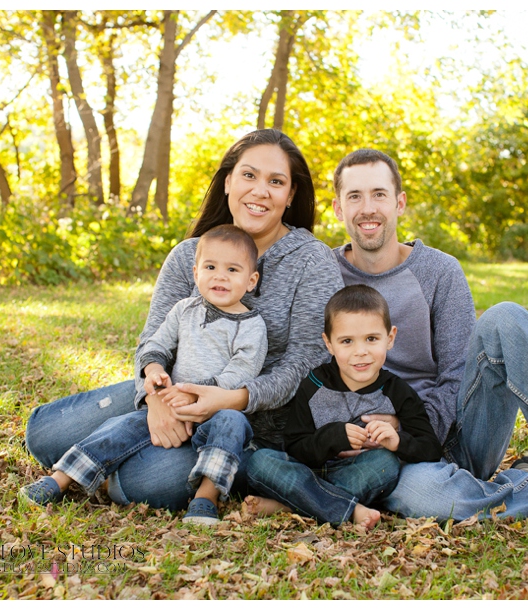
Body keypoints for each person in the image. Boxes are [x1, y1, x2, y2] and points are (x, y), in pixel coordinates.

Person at [327, 148, 528, 544]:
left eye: (379, 194)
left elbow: (455, 379)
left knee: (506, 317)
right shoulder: (324, 275)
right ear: (336, 208)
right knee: (426, 497)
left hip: (451, 436)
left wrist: (406, 427)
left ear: (399, 203)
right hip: (379, 458)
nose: (368, 208)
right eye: (355, 196)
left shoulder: (439, 271)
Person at [24, 129, 344, 512]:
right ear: (228, 181)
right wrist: (156, 399)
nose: (260, 191)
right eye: (249, 175)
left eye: (276, 182)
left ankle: (137, 458)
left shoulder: (312, 261)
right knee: (43, 435)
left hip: (244, 421)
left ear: (290, 195)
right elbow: (153, 339)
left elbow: (307, 364)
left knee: (138, 485)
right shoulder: (189, 255)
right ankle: (128, 436)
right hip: (170, 393)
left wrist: (232, 398)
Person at [20, 225, 267, 524]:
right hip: (168, 399)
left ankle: (206, 497)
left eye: (232, 269)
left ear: (251, 280)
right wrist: (154, 372)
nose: (220, 276)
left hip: (215, 410)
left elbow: (241, 372)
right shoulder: (183, 310)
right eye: (210, 267)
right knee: (119, 427)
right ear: (196, 273)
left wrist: (194, 393)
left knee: (233, 425)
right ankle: (60, 479)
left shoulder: (252, 326)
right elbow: (155, 344)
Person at [245, 285, 443, 529]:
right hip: (309, 471)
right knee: (260, 461)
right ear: (329, 344)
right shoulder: (314, 384)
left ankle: (296, 504)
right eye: (347, 341)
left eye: (371, 339)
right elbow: (295, 446)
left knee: (385, 463)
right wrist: (333, 437)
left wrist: (398, 442)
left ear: (389, 338)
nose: (360, 352)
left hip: (356, 474)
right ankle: (340, 506)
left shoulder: (397, 391)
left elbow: (431, 448)